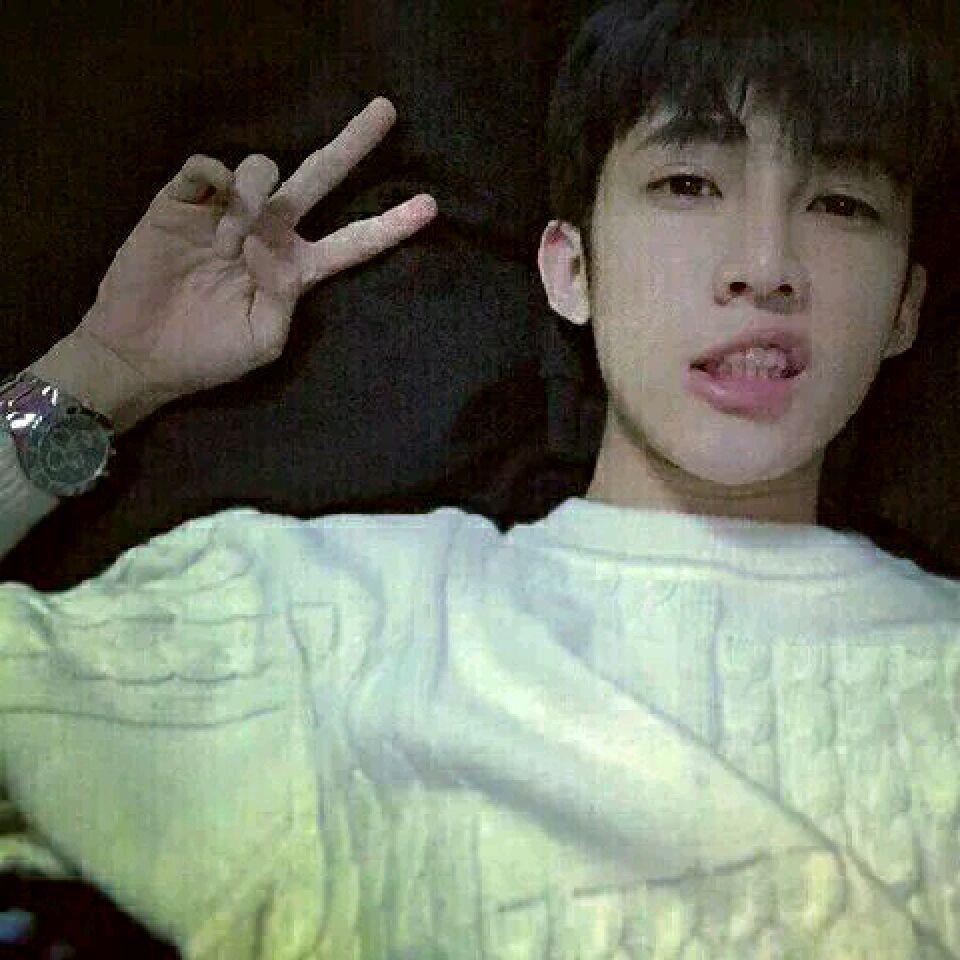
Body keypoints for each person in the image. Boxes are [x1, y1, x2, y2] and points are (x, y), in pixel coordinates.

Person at [1, 0, 959, 957]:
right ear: (571, 269)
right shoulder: (340, 614)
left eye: (842, 204)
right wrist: (100, 375)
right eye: (688, 182)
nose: (765, 267)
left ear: (905, 308)